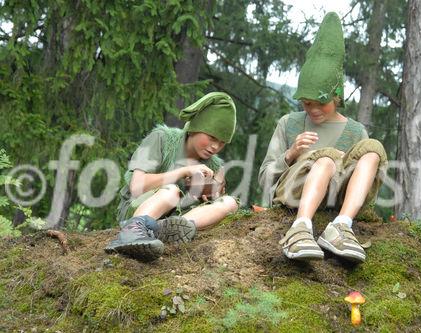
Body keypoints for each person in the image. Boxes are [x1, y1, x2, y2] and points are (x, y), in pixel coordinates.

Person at [258, 12, 388, 263]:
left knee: (372, 148)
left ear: (337, 96)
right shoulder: (289, 123)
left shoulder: (355, 132)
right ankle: (300, 228)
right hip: (292, 194)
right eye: (306, 103)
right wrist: (291, 155)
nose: (313, 109)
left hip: (335, 200)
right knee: (326, 159)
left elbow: (363, 184)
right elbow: (264, 180)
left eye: (321, 103)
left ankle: (341, 225)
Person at [105, 92, 239, 261]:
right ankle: (133, 231)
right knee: (170, 191)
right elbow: (136, 186)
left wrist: (210, 195)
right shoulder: (162, 139)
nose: (214, 147)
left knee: (230, 202)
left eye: (221, 143)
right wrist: (183, 172)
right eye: (211, 137)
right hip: (139, 208)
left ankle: (167, 229)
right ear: (195, 128)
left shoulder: (214, 166)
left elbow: (214, 204)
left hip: (177, 216)